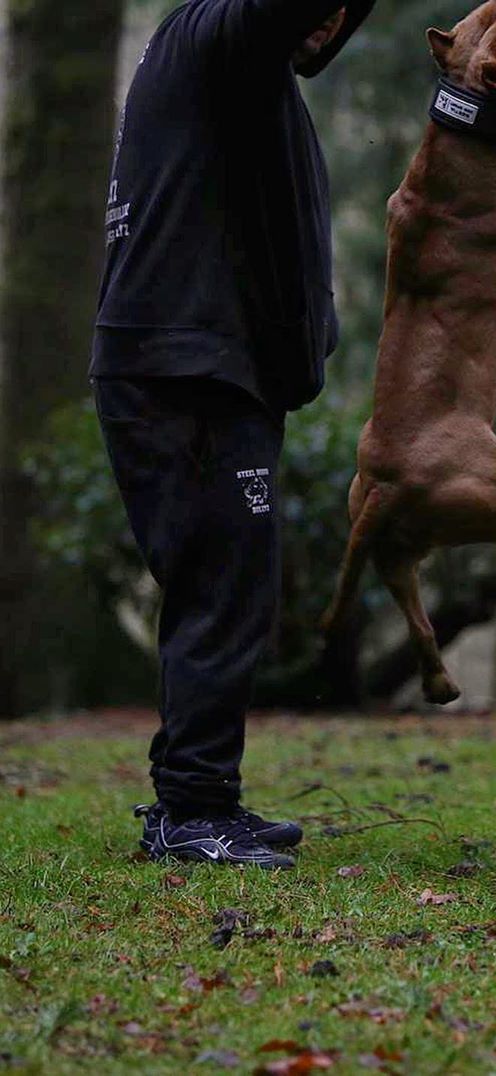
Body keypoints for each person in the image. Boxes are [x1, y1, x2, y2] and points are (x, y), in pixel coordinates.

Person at [90, 0, 376, 869]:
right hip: (185, 369)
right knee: (221, 586)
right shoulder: (217, 34)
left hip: (208, 367)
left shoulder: (236, 71)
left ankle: (201, 799)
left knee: (228, 585)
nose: (326, 21)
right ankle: (190, 813)